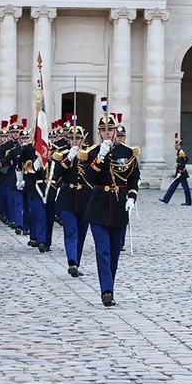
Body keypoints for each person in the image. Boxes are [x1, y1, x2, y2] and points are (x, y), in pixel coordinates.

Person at [82, 109, 140, 307]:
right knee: (103, 250)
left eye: (110, 130)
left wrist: (132, 197)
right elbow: (89, 177)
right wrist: (101, 156)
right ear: (99, 133)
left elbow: (134, 178)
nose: (107, 134)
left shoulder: (127, 152)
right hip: (98, 206)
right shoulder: (92, 153)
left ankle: (110, 285)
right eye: (103, 130)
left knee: (114, 251)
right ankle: (106, 290)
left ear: (116, 131)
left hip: (119, 206)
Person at [55, 120, 90, 277]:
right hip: (67, 198)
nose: (75, 141)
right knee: (71, 232)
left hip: (85, 198)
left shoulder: (90, 155)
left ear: (83, 139)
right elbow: (56, 173)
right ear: (68, 140)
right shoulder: (62, 155)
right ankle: (72, 262)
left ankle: (77, 262)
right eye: (72, 138)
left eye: (78, 138)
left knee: (81, 234)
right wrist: (68, 158)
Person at [160, 133, 191, 206]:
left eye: (176, 145)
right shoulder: (179, 152)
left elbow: (183, 162)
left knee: (185, 188)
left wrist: (180, 171)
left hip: (182, 173)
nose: (175, 146)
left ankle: (188, 201)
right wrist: (177, 164)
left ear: (179, 146)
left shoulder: (181, 152)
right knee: (173, 186)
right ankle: (166, 199)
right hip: (179, 172)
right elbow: (185, 160)